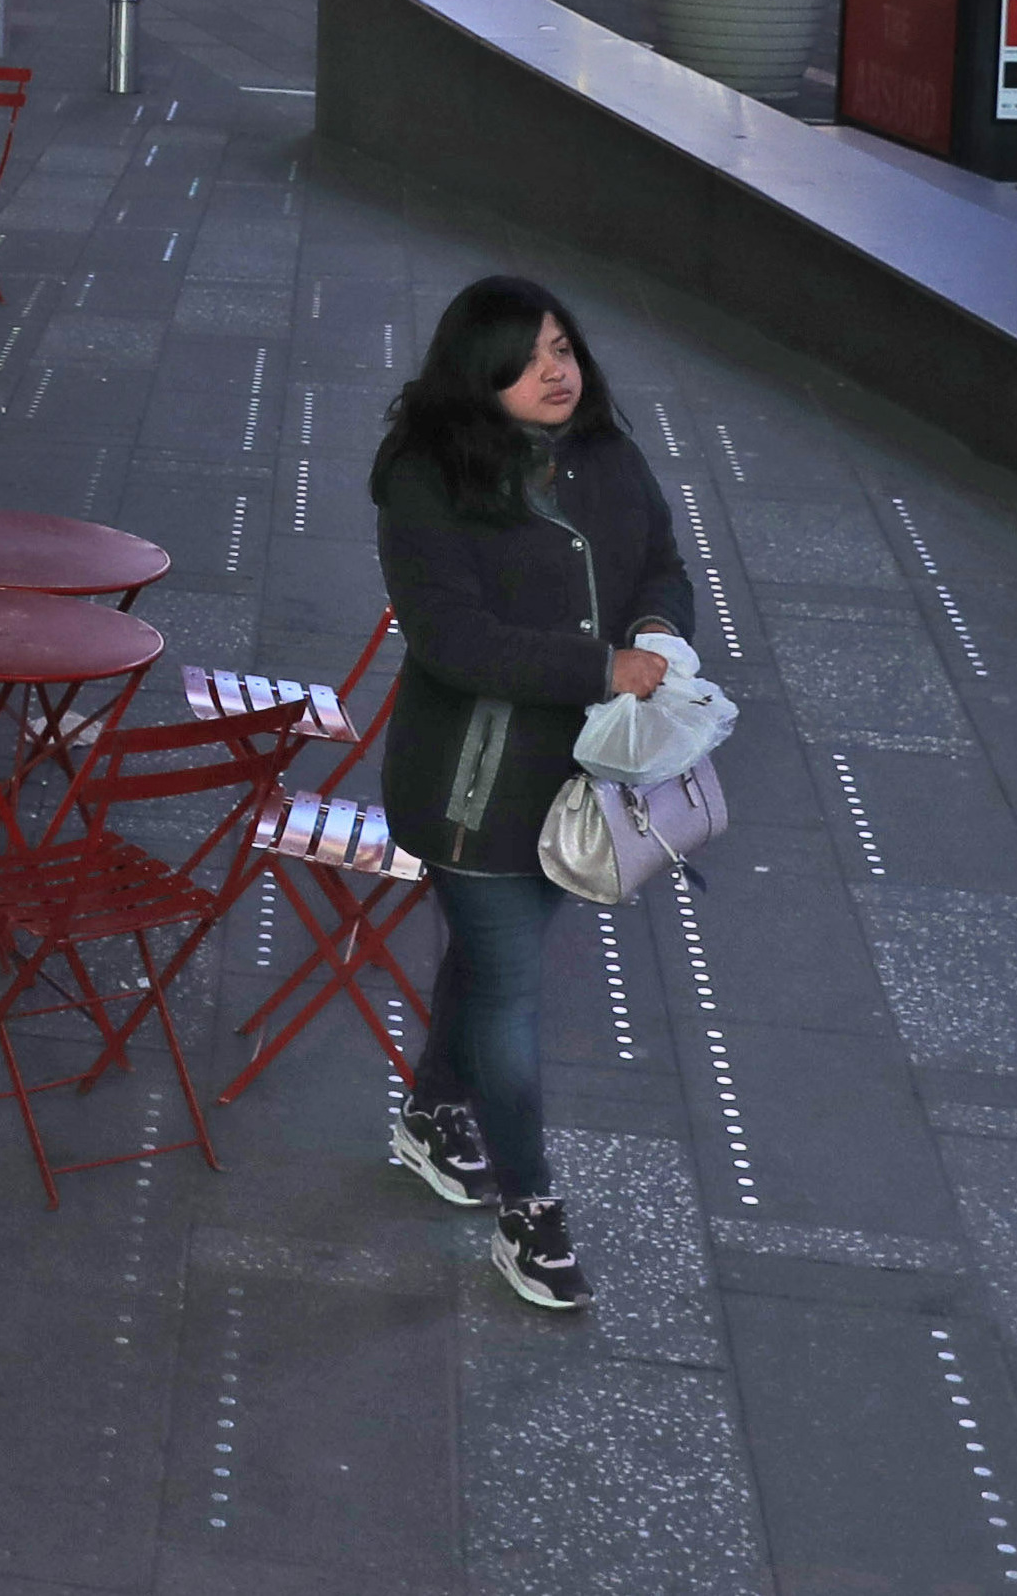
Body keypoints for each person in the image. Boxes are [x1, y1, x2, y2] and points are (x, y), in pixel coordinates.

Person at [370, 275, 698, 1315]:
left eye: (562, 344)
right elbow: (451, 639)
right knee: (508, 991)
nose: (555, 370)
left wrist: (652, 630)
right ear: (478, 374)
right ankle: (529, 1211)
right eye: (524, 357)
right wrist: (599, 666)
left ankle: (426, 1117)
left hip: (583, 779)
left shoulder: (603, 450)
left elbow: (659, 564)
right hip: (476, 786)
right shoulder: (423, 478)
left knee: (485, 955)